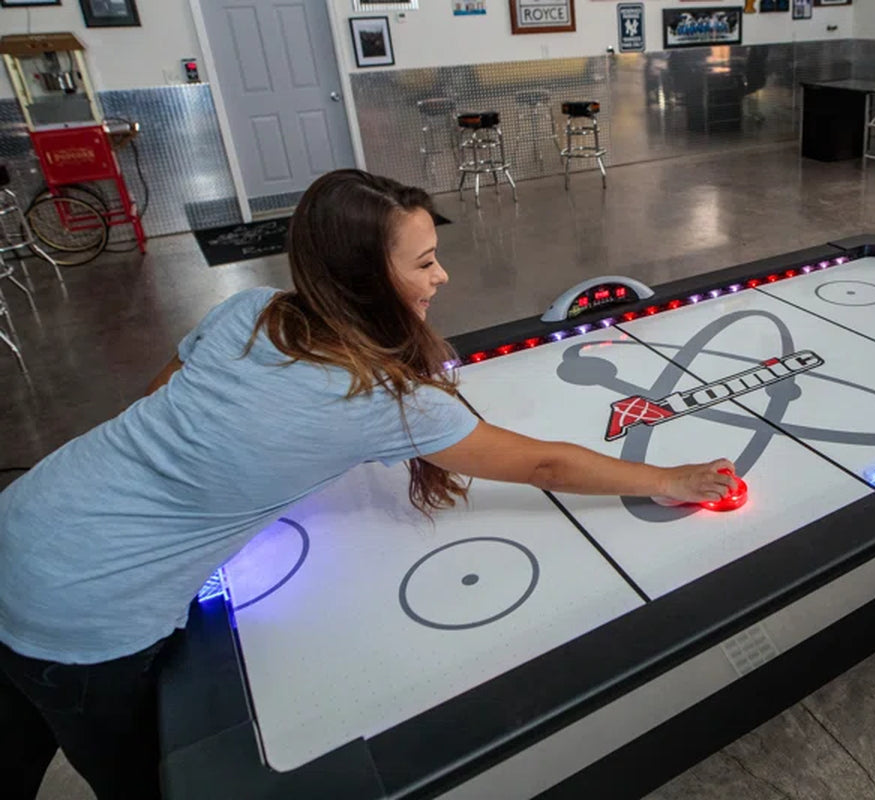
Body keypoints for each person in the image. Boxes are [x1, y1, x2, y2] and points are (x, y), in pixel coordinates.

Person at [0, 169, 737, 800]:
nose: (441, 276)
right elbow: (541, 463)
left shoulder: (249, 311)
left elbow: (161, 401)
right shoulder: (378, 400)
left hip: (24, 517)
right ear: (363, 277)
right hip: (83, 615)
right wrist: (666, 476)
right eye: (424, 263)